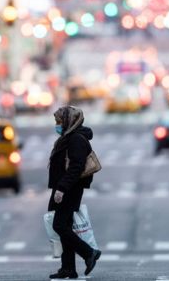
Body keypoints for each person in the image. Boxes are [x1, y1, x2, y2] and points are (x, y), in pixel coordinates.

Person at [47, 106, 101, 279]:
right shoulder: (69, 137)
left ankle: (89, 253)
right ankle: (68, 268)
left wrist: (61, 189)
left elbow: (76, 168)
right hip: (65, 187)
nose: (57, 125)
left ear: (70, 121)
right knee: (65, 227)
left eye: (60, 121)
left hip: (69, 188)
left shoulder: (76, 139)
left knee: (60, 225)